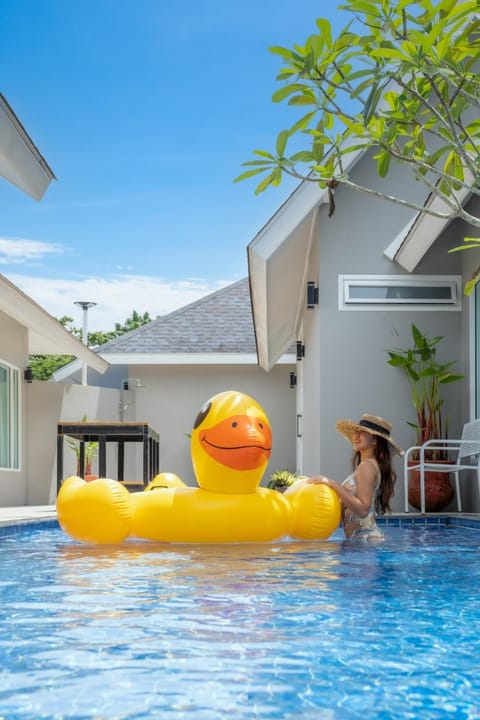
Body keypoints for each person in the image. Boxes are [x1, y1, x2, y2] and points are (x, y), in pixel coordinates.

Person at [307, 414, 403, 541]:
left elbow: (363, 510)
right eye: (355, 432)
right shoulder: (370, 465)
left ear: (375, 440)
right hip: (363, 542)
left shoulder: (366, 467)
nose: (355, 436)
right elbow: (351, 509)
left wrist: (333, 484)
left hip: (366, 541)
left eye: (362, 432)